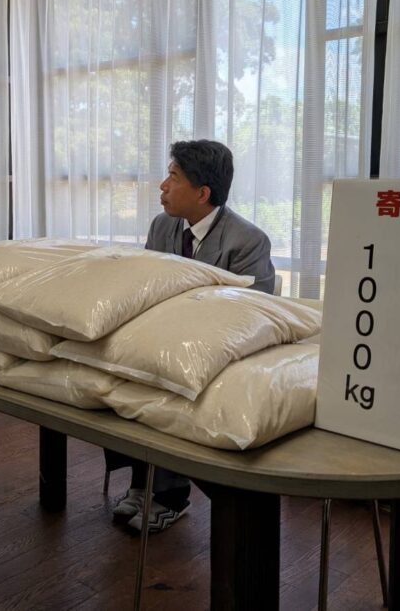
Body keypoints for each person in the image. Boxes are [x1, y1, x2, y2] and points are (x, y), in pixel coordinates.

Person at [109, 139, 275, 532]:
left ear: (202, 193)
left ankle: (171, 496)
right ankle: (142, 482)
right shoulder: (162, 225)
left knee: (172, 380)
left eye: (173, 177)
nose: (163, 185)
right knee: (120, 370)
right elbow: (146, 286)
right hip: (164, 336)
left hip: (219, 351)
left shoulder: (248, 241)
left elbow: (252, 313)